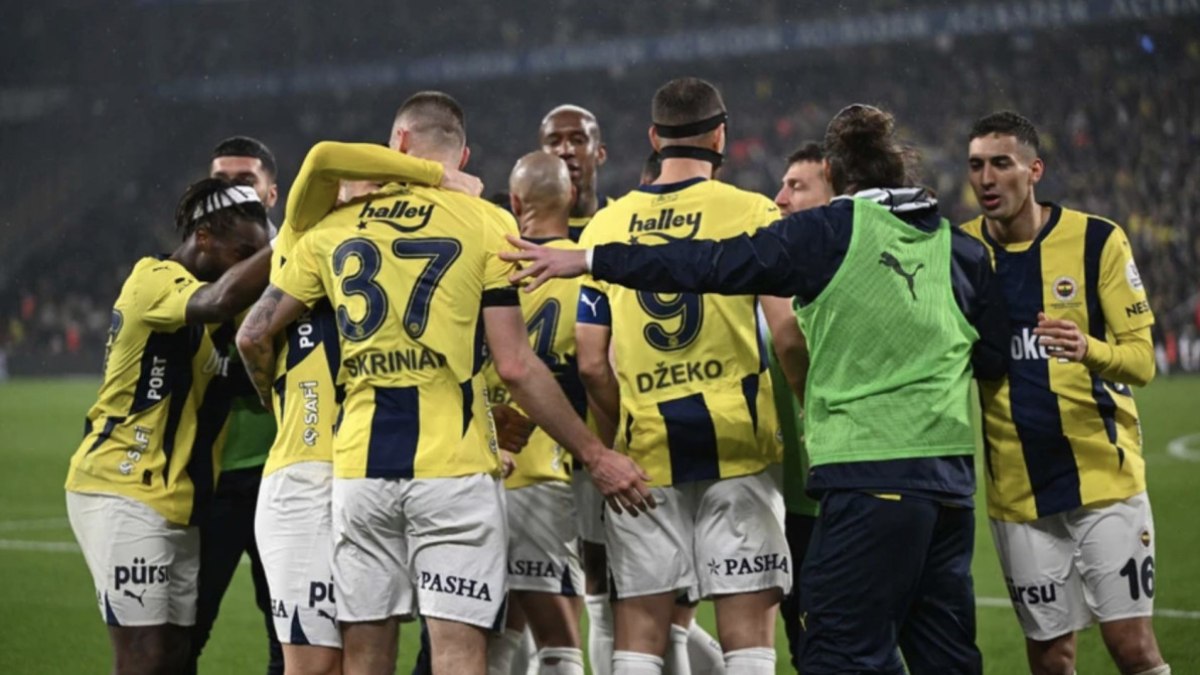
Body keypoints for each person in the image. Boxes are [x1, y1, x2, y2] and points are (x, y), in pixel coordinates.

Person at [502, 103, 1010, 675]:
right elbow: (992, 358)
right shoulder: (962, 249)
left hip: (868, 473)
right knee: (946, 655)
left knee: (838, 653)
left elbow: (710, 262)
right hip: (950, 488)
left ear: (834, 176)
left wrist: (592, 257)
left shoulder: (826, 233)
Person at [236, 91, 652, 675]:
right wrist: (595, 454)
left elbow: (254, 333)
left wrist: (273, 398)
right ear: (464, 156)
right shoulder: (486, 221)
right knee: (457, 651)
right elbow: (514, 365)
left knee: (366, 653)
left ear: (398, 144)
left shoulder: (332, 227)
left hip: (359, 467)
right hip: (453, 470)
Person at [569, 77, 791, 675]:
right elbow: (787, 333)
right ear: (720, 136)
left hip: (647, 456)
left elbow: (591, 363)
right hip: (738, 448)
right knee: (748, 640)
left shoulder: (605, 228)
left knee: (640, 637)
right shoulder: (753, 212)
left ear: (653, 138)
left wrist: (616, 438)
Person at [254, 139, 479, 675]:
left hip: (373, 470)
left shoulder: (386, 258)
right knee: (317, 665)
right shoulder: (306, 232)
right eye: (371, 182)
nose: (380, 197)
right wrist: (436, 174)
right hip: (307, 475)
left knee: (371, 654)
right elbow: (322, 158)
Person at [960, 111, 1170, 675]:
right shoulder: (960, 251)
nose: (986, 178)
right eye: (976, 165)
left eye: (1001, 163)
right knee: (1052, 659)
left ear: (1034, 170)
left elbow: (1142, 362)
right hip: (1018, 493)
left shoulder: (1098, 239)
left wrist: (1088, 348)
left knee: (1132, 647)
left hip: (1104, 478)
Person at [65, 177, 272, 675]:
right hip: (122, 487)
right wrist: (293, 241)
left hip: (179, 500)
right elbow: (220, 299)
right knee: (145, 657)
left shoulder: (213, 326)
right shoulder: (152, 279)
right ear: (203, 237)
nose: (250, 265)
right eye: (244, 253)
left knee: (176, 655)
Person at [483, 152, 588, 675]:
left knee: (497, 629)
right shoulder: (587, 270)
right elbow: (598, 368)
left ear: (516, 201)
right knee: (560, 639)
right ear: (572, 197)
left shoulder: (489, 265)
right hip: (546, 470)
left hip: (480, 465)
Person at [190, 135, 285, 675]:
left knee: (290, 638)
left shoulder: (306, 261)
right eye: (219, 182)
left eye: (244, 181)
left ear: (272, 193)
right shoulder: (187, 268)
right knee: (184, 633)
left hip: (285, 476)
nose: (229, 192)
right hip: (210, 481)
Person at [767, 141, 834, 672]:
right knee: (808, 647)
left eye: (796, 186)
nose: (780, 198)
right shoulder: (771, 274)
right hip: (790, 500)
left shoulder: (849, 278)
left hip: (840, 491)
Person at [539, 105, 609, 242]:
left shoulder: (626, 220)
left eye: (578, 140)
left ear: (600, 153)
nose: (565, 151)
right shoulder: (512, 226)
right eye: (554, 142)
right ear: (541, 157)